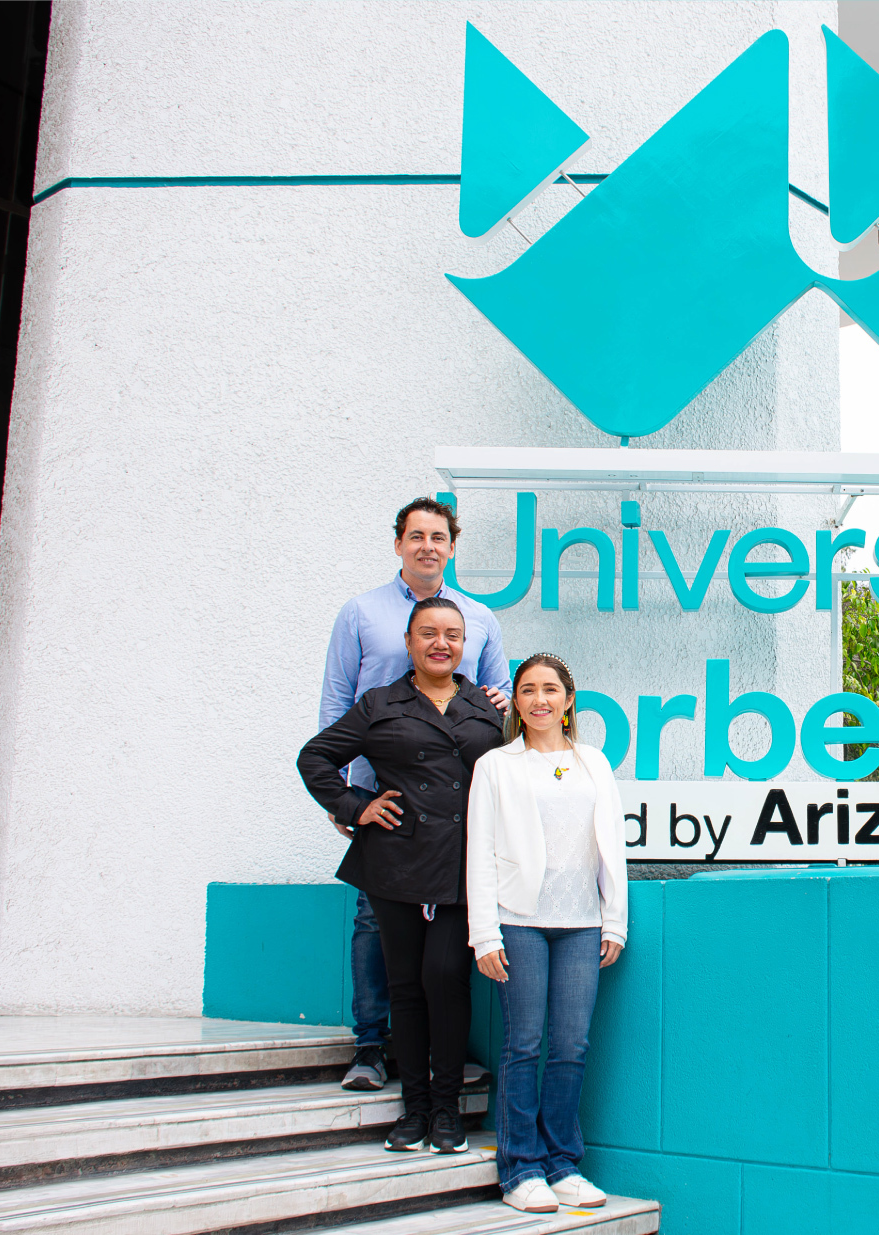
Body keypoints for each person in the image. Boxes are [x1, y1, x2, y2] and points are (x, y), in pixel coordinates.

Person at [299, 597, 506, 1153]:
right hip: (395, 862)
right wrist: (355, 806)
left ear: (466, 645)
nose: (442, 643)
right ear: (410, 643)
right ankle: (414, 1111)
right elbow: (316, 757)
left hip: (465, 866)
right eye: (429, 634)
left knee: (446, 979)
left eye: (453, 635)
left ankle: (447, 1112)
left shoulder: (489, 709)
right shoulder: (379, 703)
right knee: (406, 988)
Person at [321, 497, 512, 1092]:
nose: (427, 546)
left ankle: (435, 1059)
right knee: (376, 924)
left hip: (456, 809)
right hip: (386, 792)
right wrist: (347, 800)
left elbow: (498, 694)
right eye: (416, 536)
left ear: (452, 547)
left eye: (439, 536)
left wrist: (500, 703)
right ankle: (372, 1047)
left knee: (449, 944)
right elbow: (335, 710)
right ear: (399, 543)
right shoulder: (360, 613)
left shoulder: (478, 618)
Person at [466, 653, 628, 1213]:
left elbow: (612, 845)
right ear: (516, 701)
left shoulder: (593, 763)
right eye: (528, 689)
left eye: (550, 689)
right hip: (520, 923)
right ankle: (519, 1170)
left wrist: (616, 920)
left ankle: (562, 1165)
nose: (540, 699)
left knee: (571, 1046)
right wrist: (484, 935)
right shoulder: (497, 766)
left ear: (568, 700)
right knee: (523, 1045)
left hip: (583, 925)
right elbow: (480, 851)